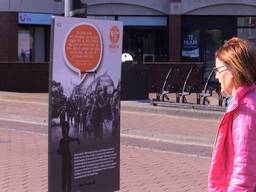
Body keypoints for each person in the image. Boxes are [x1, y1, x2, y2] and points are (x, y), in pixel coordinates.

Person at [208, 37, 256, 191]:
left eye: (218, 70)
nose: (216, 76)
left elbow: (245, 170)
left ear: (234, 70)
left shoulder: (246, 109)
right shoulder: (247, 101)